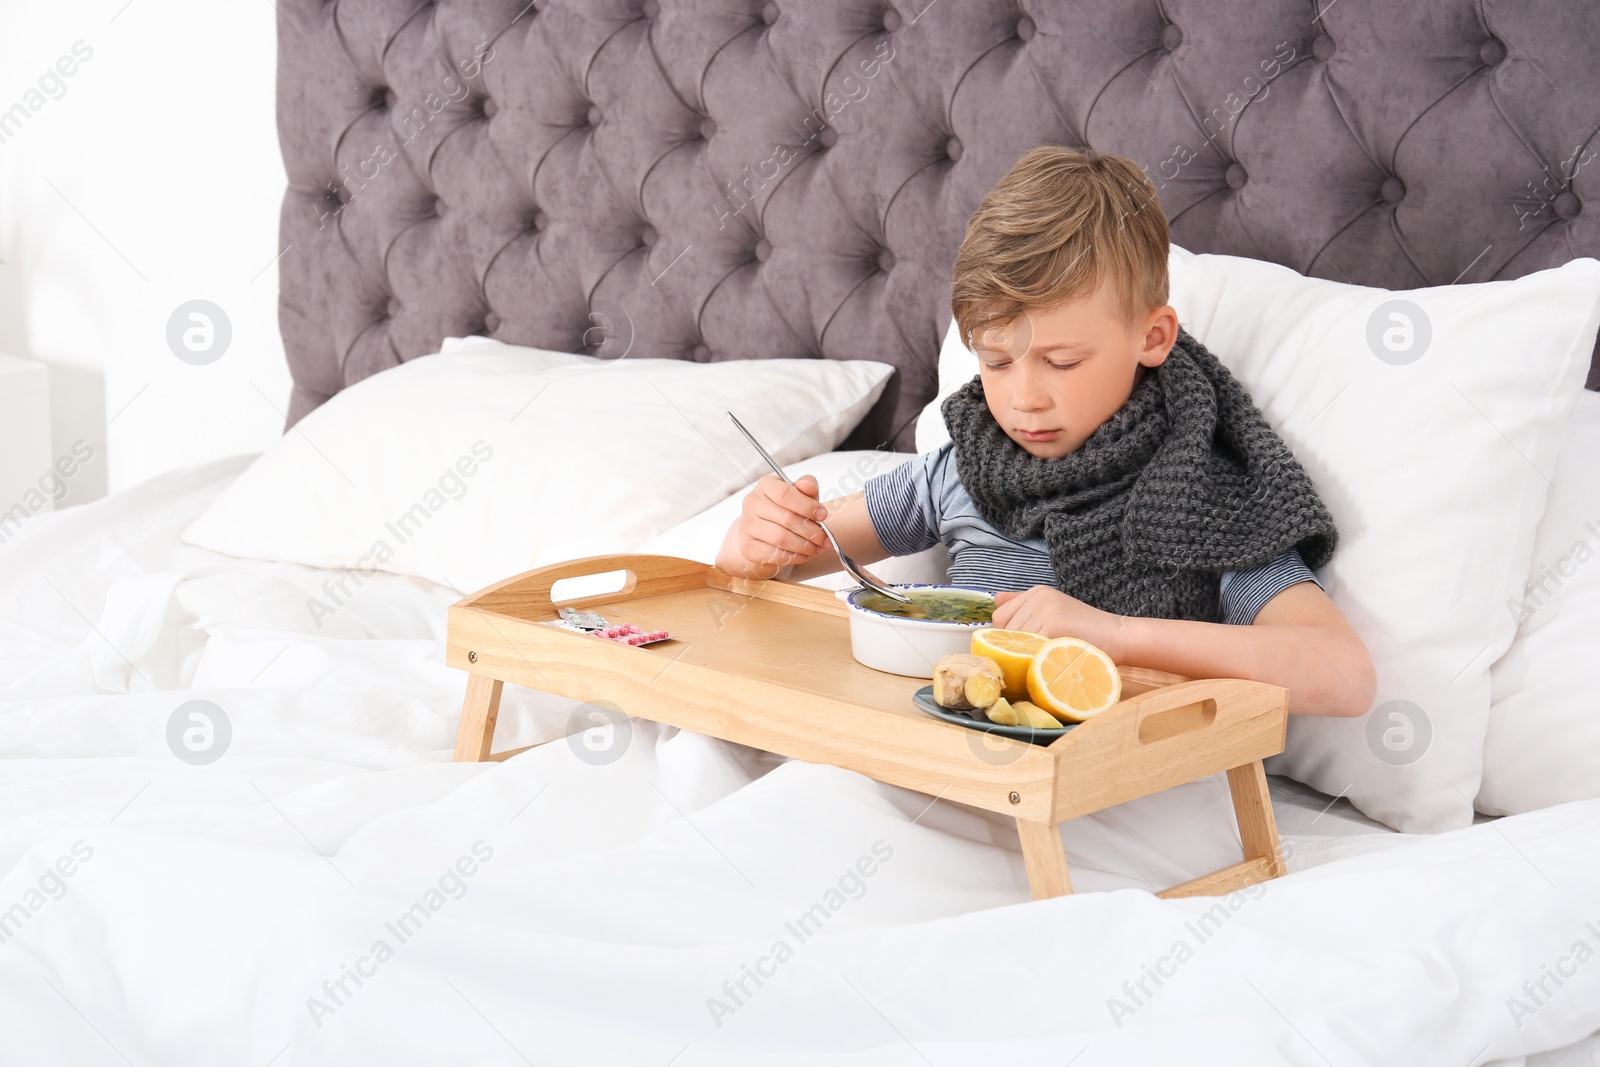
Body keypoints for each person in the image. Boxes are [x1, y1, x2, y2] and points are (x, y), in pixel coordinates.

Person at [714, 146, 1376, 717]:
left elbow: (1342, 674)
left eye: (1062, 362)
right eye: (996, 362)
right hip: (939, 754)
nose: (1023, 398)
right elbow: (798, 555)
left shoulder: (1204, 498)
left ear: (1153, 337)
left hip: (1110, 782)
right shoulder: (964, 469)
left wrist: (1115, 633)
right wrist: (757, 544)